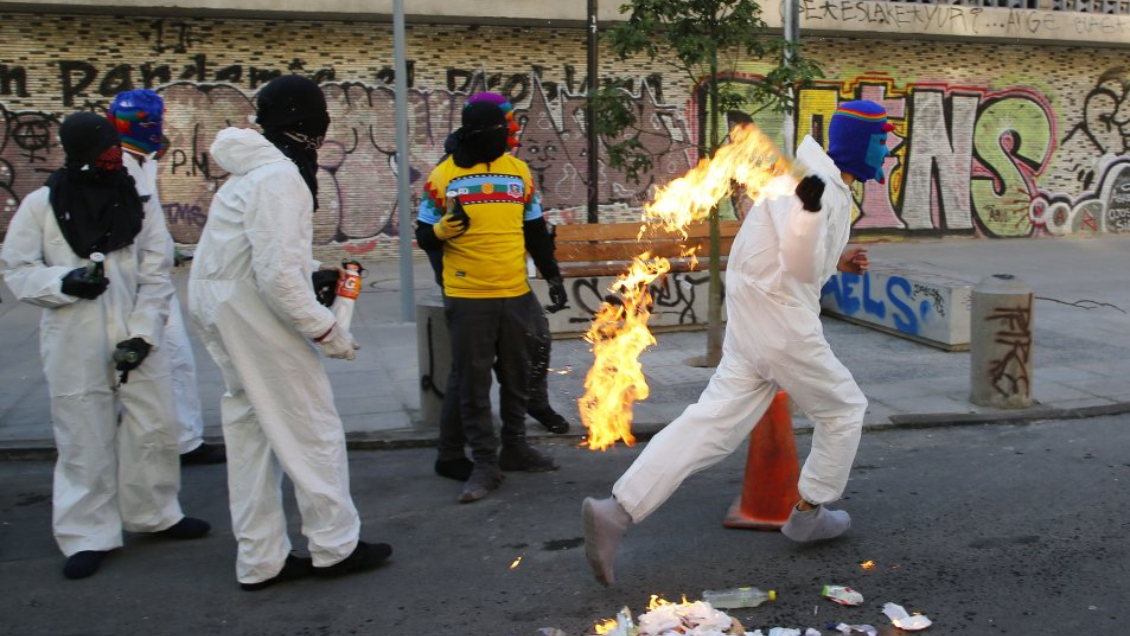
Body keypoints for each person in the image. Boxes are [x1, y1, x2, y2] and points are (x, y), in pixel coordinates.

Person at [581, 101, 892, 586]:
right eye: (880, 141)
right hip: (783, 323)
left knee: (712, 422)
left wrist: (837, 258)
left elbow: (789, 253)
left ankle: (616, 510)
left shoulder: (809, 177)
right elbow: (800, 264)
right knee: (844, 409)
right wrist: (813, 223)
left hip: (751, 319)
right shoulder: (817, 187)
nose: (886, 150)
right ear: (859, 144)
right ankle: (809, 513)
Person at [188, 75, 390, 591]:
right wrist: (326, 330)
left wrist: (315, 273)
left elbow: (260, 253)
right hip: (249, 312)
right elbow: (276, 276)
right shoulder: (280, 176)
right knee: (309, 426)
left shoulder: (253, 172)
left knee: (252, 433)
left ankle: (261, 559)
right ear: (308, 124)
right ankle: (335, 546)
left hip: (222, 303)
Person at [1, 112, 211, 580]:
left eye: (115, 148)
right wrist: (64, 282)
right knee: (83, 432)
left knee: (153, 424)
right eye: (104, 151)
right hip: (74, 334)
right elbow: (16, 269)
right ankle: (86, 533)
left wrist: (143, 333)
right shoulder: (41, 205)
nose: (113, 158)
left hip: (136, 330)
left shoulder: (138, 202)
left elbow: (155, 272)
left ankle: (156, 512)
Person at [416, 94, 568, 503]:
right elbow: (424, 235)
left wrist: (552, 274)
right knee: (473, 384)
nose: (507, 137)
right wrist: (442, 231)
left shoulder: (519, 173)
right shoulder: (442, 177)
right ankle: (484, 463)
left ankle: (515, 447)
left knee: (517, 378)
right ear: (478, 133)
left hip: (515, 292)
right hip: (469, 296)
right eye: (500, 131)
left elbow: (535, 230)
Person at [107, 88, 226, 466]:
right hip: (134, 283)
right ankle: (166, 440)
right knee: (159, 359)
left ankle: (181, 438)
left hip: (151, 279)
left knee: (173, 359)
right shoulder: (119, 166)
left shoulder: (140, 160)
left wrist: (164, 249)